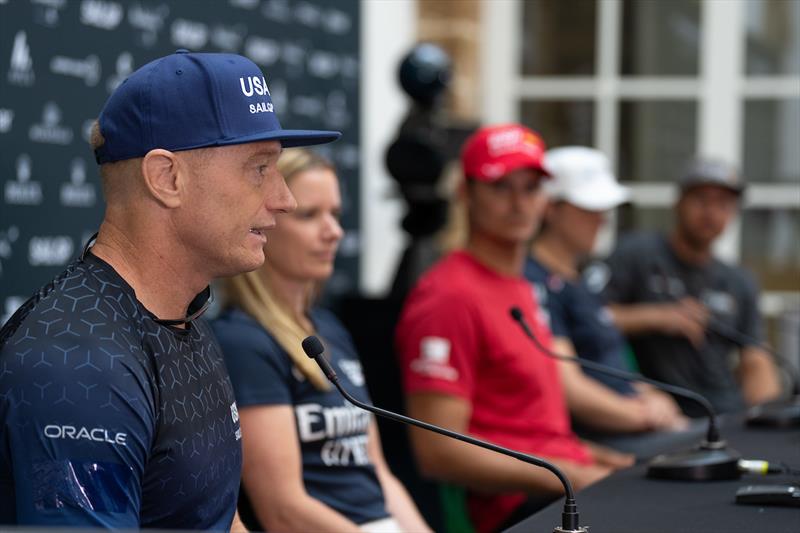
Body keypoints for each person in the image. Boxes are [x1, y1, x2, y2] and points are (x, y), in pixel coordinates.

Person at [0, 50, 340, 528]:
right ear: (167, 178)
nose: (284, 199)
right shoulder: (78, 367)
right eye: (260, 168)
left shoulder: (184, 314)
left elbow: (217, 520)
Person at [395, 124, 632, 533]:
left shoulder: (522, 284)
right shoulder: (447, 296)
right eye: (501, 187)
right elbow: (438, 451)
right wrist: (573, 474)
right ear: (466, 194)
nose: (519, 204)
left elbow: (532, 425)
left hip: (559, 486)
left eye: (532, 188)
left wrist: (596, 459)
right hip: (521, 509)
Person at [211, 148, 431, 533]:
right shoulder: (242, 341)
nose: (334, 231)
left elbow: (378, 472)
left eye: (335, 214)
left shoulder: (328, 329)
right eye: (309, 215)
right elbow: (284, 509)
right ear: (261, 223)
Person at [526, 146, 688, 437]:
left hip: (632, 427)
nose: (602, 220)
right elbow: (567, 386)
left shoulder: (584, 279)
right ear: (550, 209)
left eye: (603, 210)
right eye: (589, 210)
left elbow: (610, 362)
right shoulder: (534, 281)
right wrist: (645, 416)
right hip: (602, 438)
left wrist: (652, 395)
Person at [602, 157, 782, 417]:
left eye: (723, 204)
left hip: (726, 414)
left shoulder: (739, 280)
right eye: (701, 199)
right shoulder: (637, 255)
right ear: (678, 202)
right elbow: (590, 318)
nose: (711, 212)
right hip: (660, 414)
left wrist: (767, 417)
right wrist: (658, 316)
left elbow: (756, 359)